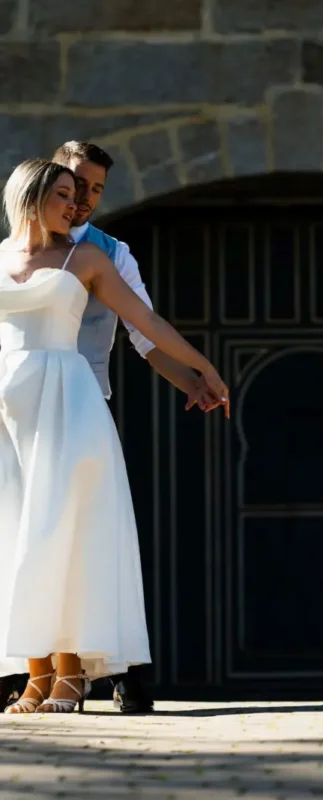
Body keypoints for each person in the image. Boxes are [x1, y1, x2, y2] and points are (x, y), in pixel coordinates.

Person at [0, 141, 224, 715]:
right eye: (70, 190)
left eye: (91, 193)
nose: (82, 203)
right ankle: (33, 674)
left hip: (71, 401)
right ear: (38, 188)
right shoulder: (2, 256)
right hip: (11, 413)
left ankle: (77, 676)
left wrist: (200, 367)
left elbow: (144, 327)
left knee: (67, 535)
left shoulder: (102, 256)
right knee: (19, 538)